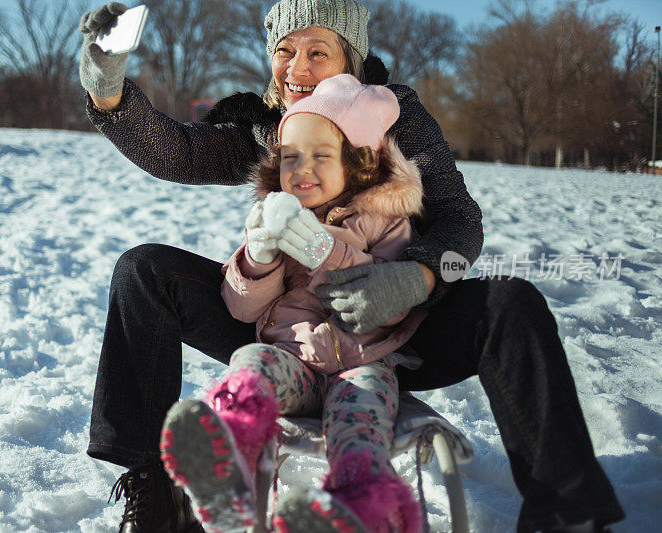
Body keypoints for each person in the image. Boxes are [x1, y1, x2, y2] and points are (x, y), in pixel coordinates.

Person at [78, 0, 625, 531]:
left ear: (352, 60)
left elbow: (461, 219)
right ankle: (157, 492)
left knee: (512, 299)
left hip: (396, 333)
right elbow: (176, 153)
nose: (298, 68)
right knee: (143, 271)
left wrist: (421, 275)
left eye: (319, 52)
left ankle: (565, 508)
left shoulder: (396, 116)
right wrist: (108, 90)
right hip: (288, 329)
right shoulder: (273, 128)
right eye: (285, 50)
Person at [160, 74, 424, 533]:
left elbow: (393, 302)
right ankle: (227, 464)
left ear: (357, 162)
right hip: (293, 365)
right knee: (251, 359)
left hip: (363, 364)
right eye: (290, 157)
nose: (302, 168)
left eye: (321, 155)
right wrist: (257, 259)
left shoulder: (386, 220)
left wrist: (328, 253)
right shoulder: (275, 216)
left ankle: (359, 508)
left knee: (358, 430)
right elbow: (241, 310)